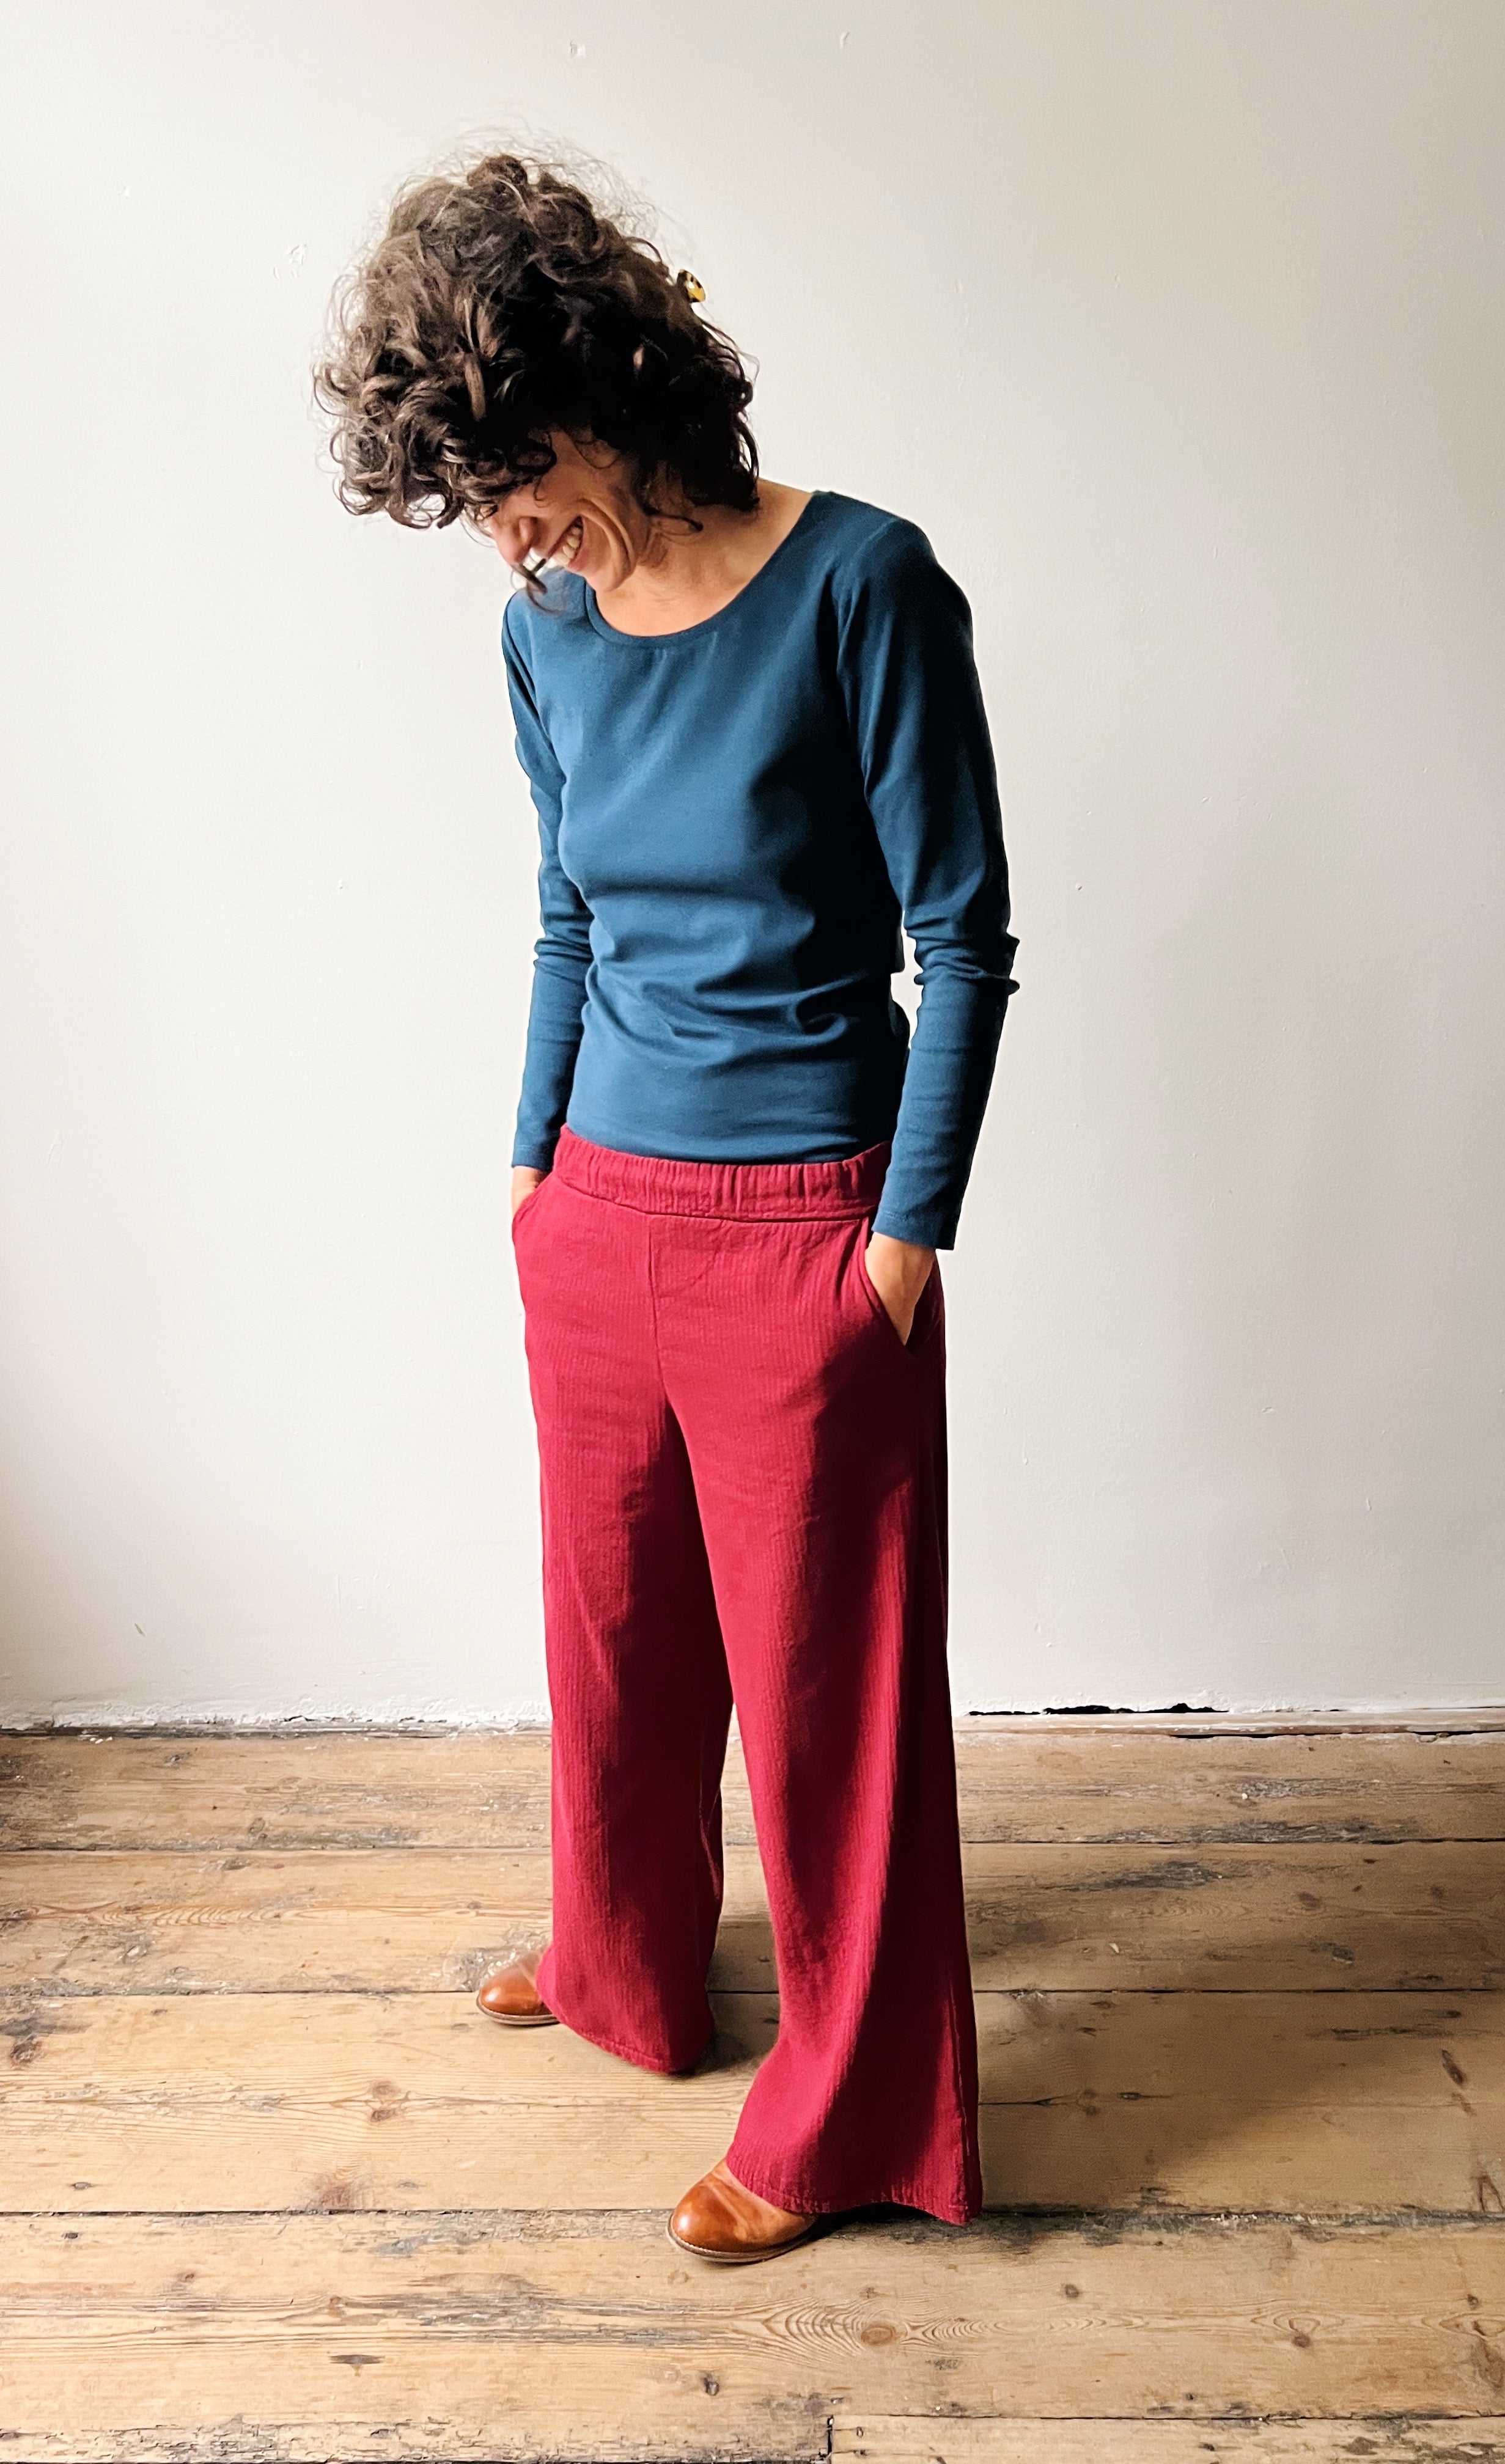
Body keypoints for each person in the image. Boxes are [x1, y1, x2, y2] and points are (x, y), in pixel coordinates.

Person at [314, 148, 1020, 2262]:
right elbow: (563, 906)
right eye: (468, 502)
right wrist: (530, 1162)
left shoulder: (863, 584)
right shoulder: (543, 631)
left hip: (807, 1218)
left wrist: (899, 1243)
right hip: (598, 1212)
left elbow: (963, 939)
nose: (504, 533)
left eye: (513, 475)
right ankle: (621, 1964)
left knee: (829, 1704)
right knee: (613, 1640)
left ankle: (853, 2119)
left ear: (607, 390)